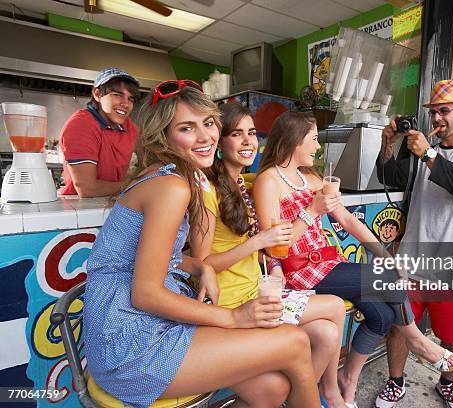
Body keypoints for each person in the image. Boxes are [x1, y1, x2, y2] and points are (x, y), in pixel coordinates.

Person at [82, 83, 321, 408]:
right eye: (186, 128)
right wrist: (233, 318)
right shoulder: (172, 186)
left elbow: (159, 258)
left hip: (128, 327)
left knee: (272, 389)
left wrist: (201, 266)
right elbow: (145, 294)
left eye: (208, 123)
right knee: (294, 341)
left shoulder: (171, 176)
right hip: (130, 344)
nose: (205, 137)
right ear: (163, 135)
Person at [253, 111, 453, 407]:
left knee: (382, 316)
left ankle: (347, 379)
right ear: (293, 140)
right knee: (387, 279)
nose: (317, 147)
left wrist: (384, 254)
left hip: (328, 264)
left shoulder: (311, 178)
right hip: (298, 273)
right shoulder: (268, 182)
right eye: (313, 139)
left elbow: (349, 222)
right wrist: (312, 211)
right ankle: (417, 340)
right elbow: (274, 246)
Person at [190, 102, 347, 407]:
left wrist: (273, 263)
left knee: (328, 333)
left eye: (252, 133)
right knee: (277, 385)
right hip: (231, 304)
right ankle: (314, 396)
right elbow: (202, 264)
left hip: (256, 291)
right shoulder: (207, 191)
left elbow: (269, 240)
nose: (249, 141)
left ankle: (311, 395)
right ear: (220, 144)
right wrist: (259, 241)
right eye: (237, 134)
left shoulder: (241, 184)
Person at [375, 79, 453, 408]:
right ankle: (395, 381)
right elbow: (388, 177)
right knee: (400, 325)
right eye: (434, 112)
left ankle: (448, 383)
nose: (437, 118)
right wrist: (389, 145)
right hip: (413, 257)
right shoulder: (422, 152)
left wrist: (427, 153)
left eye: (444, 111)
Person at [59, 68, 140, 197]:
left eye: (131, 99)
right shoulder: (81, 125)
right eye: (117, 94)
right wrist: (135, 183)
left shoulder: (129, 127)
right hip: (81, 208)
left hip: (114, 201)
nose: (125, 104)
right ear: (97, 94)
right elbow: (87, 189)